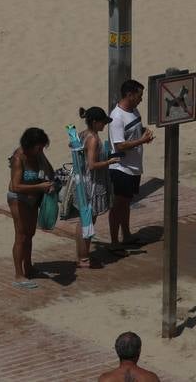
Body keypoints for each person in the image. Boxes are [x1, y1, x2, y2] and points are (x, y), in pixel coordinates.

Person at [108, 79, 155, 247]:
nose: (141, 99)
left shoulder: (134, 111)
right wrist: (141, 140)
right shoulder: (116, 117)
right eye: (139, 95)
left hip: (134, 167)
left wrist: (143, 133)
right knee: (117, 206)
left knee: (126, 203)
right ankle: (114, 241)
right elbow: (120, 145)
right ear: (129, 94)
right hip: (121, 168)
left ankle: (126, 235)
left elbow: (134, 131)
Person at [7, 126, 53, 289]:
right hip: (18, 199)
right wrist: (40, 187)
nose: (41, 150)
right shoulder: (18, 159)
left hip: (34, 198)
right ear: (30, 144)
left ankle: (29, 267)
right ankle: (19, 275)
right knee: (21, 236)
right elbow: (15, 186)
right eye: (39, 147)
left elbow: (50, 170)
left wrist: (51, 183)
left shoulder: (38, 154)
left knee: (30, 234)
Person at [74, 106, 117, 269]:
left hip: (83, 183)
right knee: (88, 221)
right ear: (94, 122)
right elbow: (92, 165)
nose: (104, 125)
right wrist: (108, 162)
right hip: (91, 185)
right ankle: (83, 257)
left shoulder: (83, 135)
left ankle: (82, 255)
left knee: (83, 221)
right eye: (102, 122)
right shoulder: (93, 139)